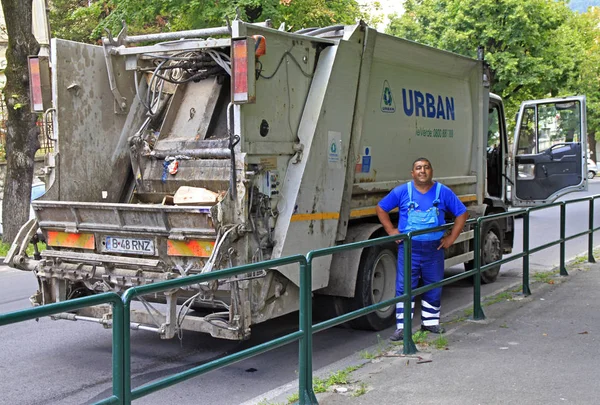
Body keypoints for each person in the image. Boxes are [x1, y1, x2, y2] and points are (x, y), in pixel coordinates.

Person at [376, 157, 468, 341]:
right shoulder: (403, 191)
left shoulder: (443, 192)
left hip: (434, 249)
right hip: (409, 248)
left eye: (426, 167)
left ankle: (430, 322)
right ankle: (403, 328)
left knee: (433, 284)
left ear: (431, 171)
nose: (422, 171)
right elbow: (381, 208)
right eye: (418, 168)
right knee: (404, 288)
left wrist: (451, 238)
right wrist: (391, 231)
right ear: (413, 173)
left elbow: (462, 213)